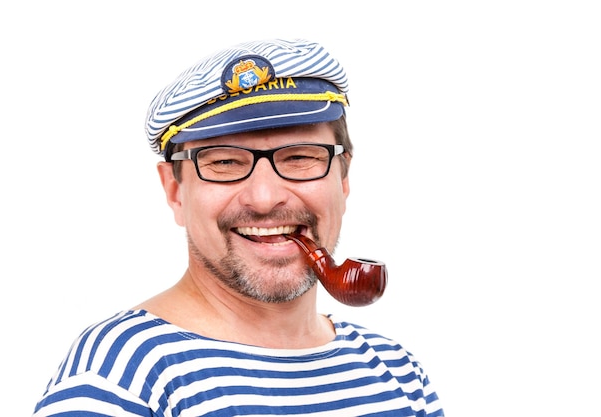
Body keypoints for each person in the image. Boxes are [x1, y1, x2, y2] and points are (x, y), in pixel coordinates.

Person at [32, 38, 445, 416]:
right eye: (225, 162)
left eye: (300, 157)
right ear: (175, 190)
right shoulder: (121, 374)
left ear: (343, 179)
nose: (265, 198)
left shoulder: (398, 372)